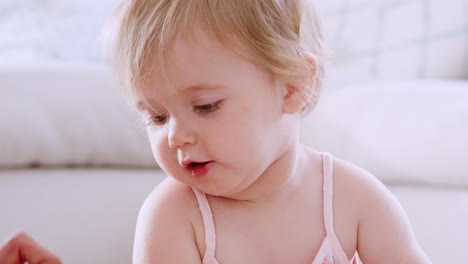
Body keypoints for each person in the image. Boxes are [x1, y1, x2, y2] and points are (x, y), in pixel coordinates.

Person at [108, 0, 432, 263]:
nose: (175, 137)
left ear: (293, 87)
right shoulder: (174, 217)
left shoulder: (354, 198)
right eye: (157, 117)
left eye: (205, 106)